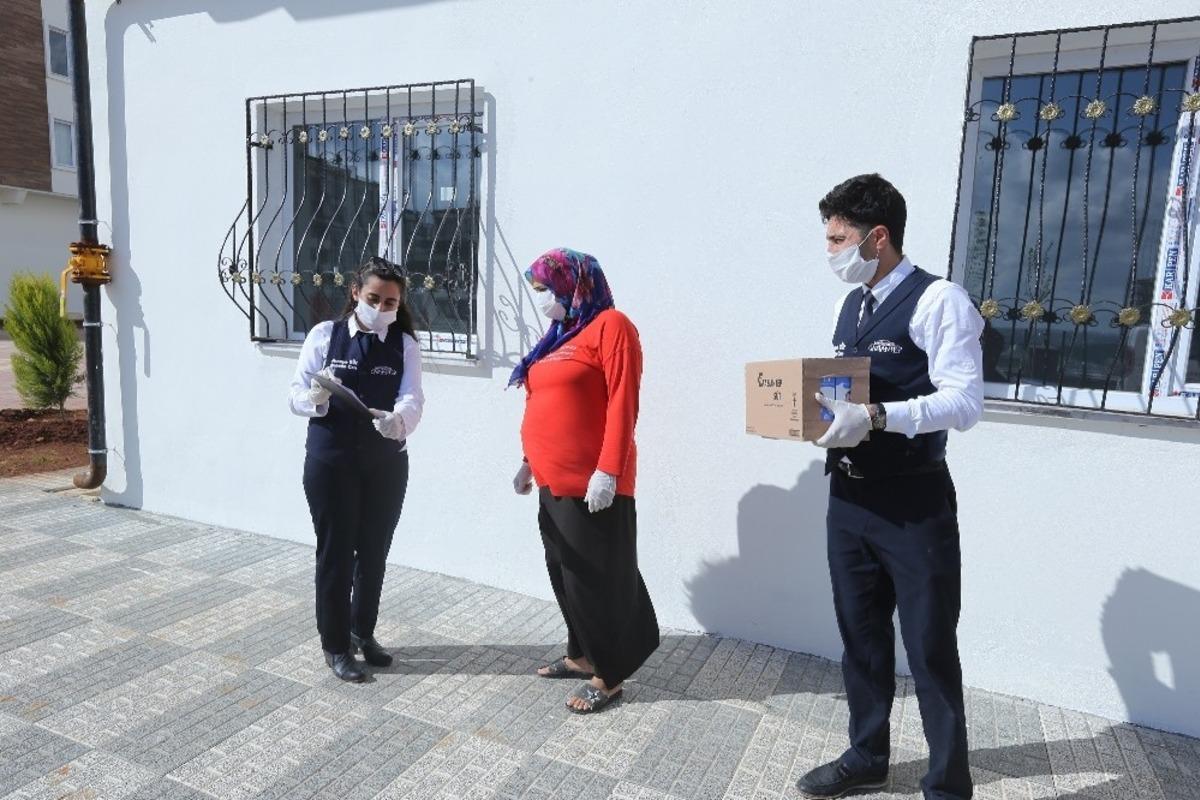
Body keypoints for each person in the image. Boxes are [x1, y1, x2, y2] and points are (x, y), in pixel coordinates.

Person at [797, 174, 983, 800]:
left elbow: (964, 402)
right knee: (861, 638)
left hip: (913, 503)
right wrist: (810, 414)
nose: (830, 252)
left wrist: (879, 417)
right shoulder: (853, 305)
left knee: (930, 647)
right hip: (848, 499)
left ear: (878, 237)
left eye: (838, 238)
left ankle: (948, 787)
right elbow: (846, 386)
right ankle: (867, 755)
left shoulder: (940, 301)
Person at [509, 247, 660, 714]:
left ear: (575, 284)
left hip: (593, 482)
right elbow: (545, 406)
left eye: (544, 289)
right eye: (536, 290)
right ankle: (579, 655)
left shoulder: (611, 327)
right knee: (565, 572)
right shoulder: (559, 335)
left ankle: (610, 675)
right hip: (552, 479)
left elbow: (622, 402)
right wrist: (528, 461)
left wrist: (609, 470)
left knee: (598, 579)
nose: (540, 299)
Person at [288, 256, 424, 682]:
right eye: (373, 298)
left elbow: (413, 398)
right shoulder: (324, 336)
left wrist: (398, 420)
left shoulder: (404, 345)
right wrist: (314, 396)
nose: (381, 308)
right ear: (354, 293)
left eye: (390, 302)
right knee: (336, 553)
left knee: (374, 553)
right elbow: (295, 395)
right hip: (331, 462)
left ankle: (362, 632)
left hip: (384, 464)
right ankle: (335, 645)